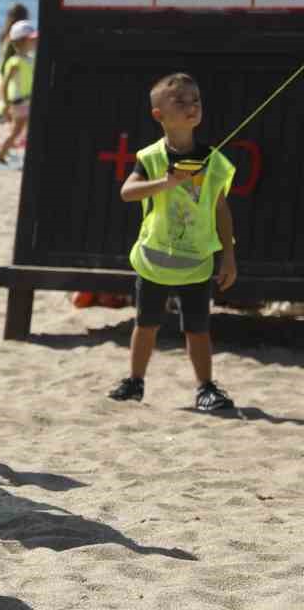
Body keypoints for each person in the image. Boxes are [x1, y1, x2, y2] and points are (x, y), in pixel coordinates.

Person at [108, 73, 237, 412]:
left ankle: (206, 387)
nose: (191, 106)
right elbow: (127, 192)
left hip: (196, 263)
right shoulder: (149, 157)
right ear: (158, 114)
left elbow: (221, 209)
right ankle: (134, 382)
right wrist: (166, 182)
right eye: (179, 101)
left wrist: (229, 256)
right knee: (145, 324)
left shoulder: (214, 160)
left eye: (195, 100)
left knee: (197, 330)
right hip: (154, 260)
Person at [0, 20, 37, 165]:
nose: (35, 42)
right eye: (32, 40)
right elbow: (5, 84)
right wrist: (6, 104)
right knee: (17, 131)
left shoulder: (31, 59)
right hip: (20, 102)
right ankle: (0, 155)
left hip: (28, 100)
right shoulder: (15, 62)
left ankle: (4, 155)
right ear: (22, 42)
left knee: (23, 131)